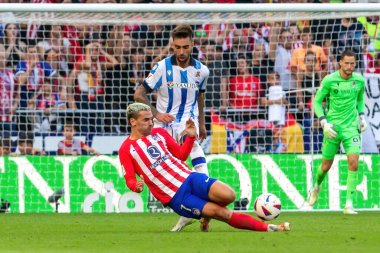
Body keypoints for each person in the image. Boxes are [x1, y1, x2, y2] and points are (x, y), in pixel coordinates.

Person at [119, 102, 290, 233]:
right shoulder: (126, 149)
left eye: (151, 119)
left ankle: (205, 219)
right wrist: (136, 186)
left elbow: (180, 155)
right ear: (133, 121)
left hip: (190, 177)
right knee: (221, 213)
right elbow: (129, 179)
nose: (151, 122)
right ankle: (270, 228)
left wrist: (191, 138)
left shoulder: (160, 133)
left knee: (229, 195)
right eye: (146, 120)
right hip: (177, 196)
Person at [134, 25, 210, 231]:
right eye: (177, 47)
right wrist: (157, 115)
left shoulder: (202, 71)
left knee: (199, 163)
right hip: (163, 128)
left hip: (188, 125)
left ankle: (205, 210)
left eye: (185, 47)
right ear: (172, 45)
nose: (182, 52)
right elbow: (139, 94)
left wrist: (202, 123)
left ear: (192, 44)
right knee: (168, 174)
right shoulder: (161, 68)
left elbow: (200, 96)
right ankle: (189, 211)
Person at [308, 50, 367, 215]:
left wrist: (361, 116)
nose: (349, 66)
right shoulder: (329, 80)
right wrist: (323, 121)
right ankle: (316, 186)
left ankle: (348, 204)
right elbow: (317, 101)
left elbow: (360, 99)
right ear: (340, 62)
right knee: (326, 166)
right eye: (346, 63)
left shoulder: (359, 81)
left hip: (351, 128)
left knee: (354, 162)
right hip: (332, 128)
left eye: (352, 63)